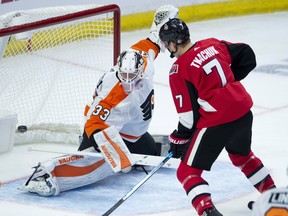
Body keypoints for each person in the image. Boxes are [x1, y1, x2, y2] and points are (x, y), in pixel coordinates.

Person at [21, 5, 179, 197]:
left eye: (132, 75)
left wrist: (162, 25)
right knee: (99, 166)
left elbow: (152, 41)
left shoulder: (145, 60)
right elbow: (94, 123)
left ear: (141, 69)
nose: (128, 80)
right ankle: (48, 176)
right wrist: (117, 153)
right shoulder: (113, 94)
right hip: (103, 130)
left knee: (149, 152)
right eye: (124, 75)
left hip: (130, 132)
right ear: (119, 69)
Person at [158, 18, 277, 216]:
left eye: (166, 43)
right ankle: (275, 200)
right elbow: (247, 55)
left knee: (187, 172)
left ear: (172, 43)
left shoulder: (178, 70)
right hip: (242, 112)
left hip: (218, 122)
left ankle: (208, 213)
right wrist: (226, 85)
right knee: (243, 156)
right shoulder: (211, 44)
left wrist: (179, 138)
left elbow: (188, 118)